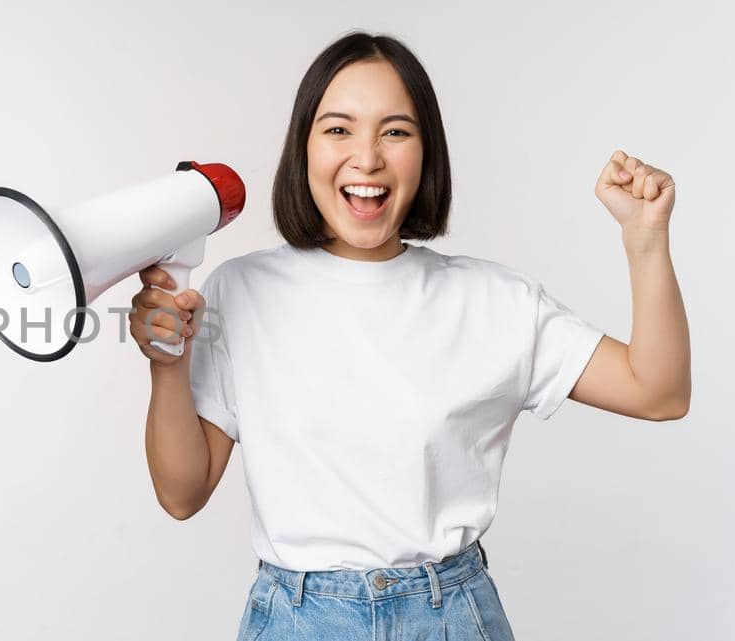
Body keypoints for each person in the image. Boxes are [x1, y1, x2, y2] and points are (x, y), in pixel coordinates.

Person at [128, 32, 691, 641]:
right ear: (304, 148)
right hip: (295, 621)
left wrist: (646, 239)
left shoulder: (494, 302)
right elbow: (182, 493)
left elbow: (657, 391)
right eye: (338, 129)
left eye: (395, 131)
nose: (366, 158)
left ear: (427, 154)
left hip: (451, 618)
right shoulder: (241, 291)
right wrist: (168, 366)